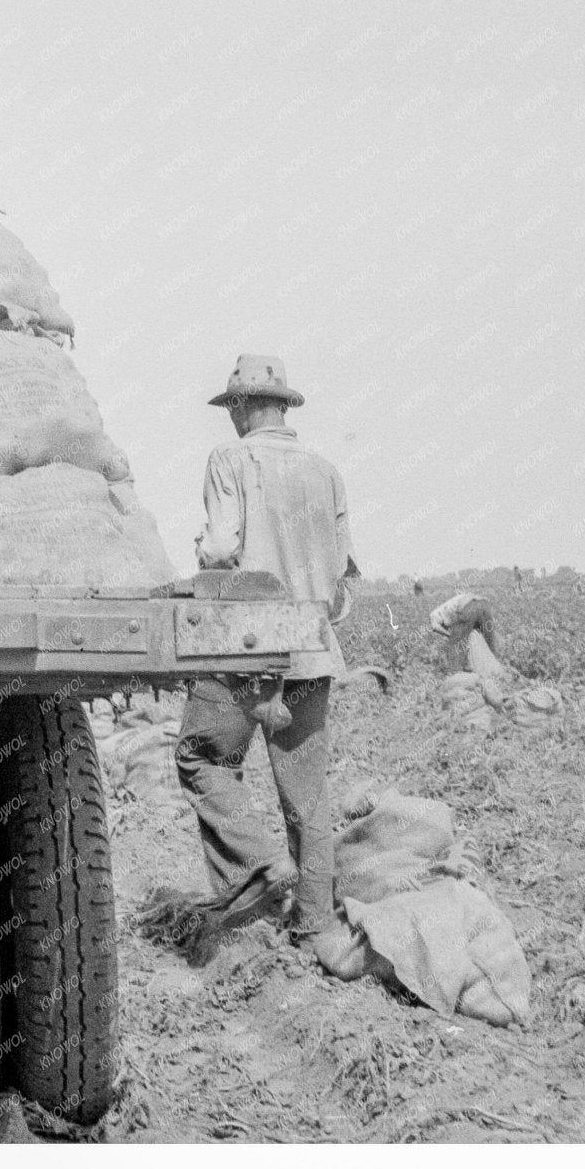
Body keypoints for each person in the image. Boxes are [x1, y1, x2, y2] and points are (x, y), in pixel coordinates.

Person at [175, 354, 357, 956]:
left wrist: (202, 549)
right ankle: (315, 925)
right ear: (284, 407)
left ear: (245, 407)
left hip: (248, 647)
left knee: (201, 757)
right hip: (310, 649)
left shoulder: (232, 460)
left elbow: (224, 548)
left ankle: (255, 870)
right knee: (307, 798)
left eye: (232, 408)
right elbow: (340, 580)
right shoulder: (326, 471)